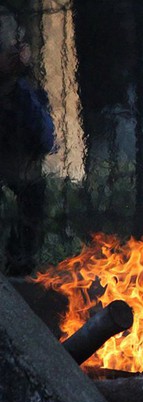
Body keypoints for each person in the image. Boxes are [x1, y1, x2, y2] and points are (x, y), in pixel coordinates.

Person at [0, 5, 56, 275]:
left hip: (19, 168)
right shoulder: (18, 93)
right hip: (17, 168)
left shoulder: (21, 89)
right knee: (32, 196)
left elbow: (44, 136)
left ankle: (18, 265)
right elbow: (44, 136)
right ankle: (18, 268)